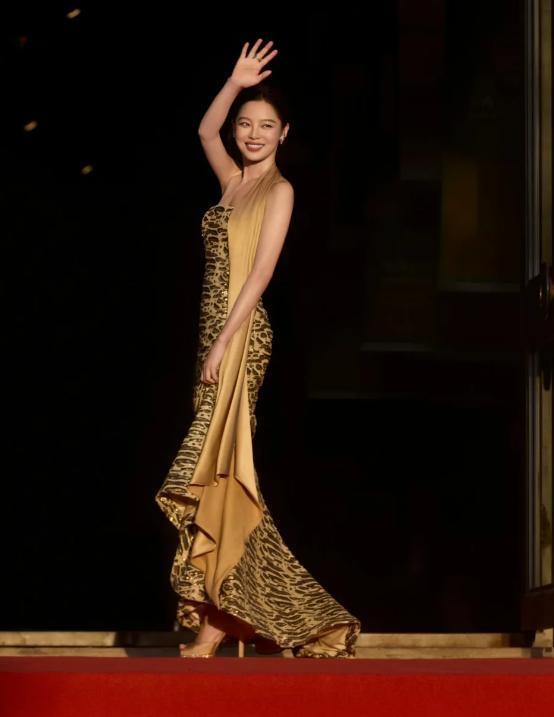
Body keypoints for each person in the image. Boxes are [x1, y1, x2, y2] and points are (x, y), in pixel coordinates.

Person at [155, 38, 361, 658]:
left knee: (222, 471)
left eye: (266, 125)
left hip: (242, 336)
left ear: (284, 133)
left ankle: (226, 621)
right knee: (216, 474)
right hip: (212, 336)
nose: (252, 134)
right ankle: (229, 615)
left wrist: (224, 343)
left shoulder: (279, 190)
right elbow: (204, 130)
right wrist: (234, 81)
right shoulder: (232, 181)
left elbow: (262, 273)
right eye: (246, 123)